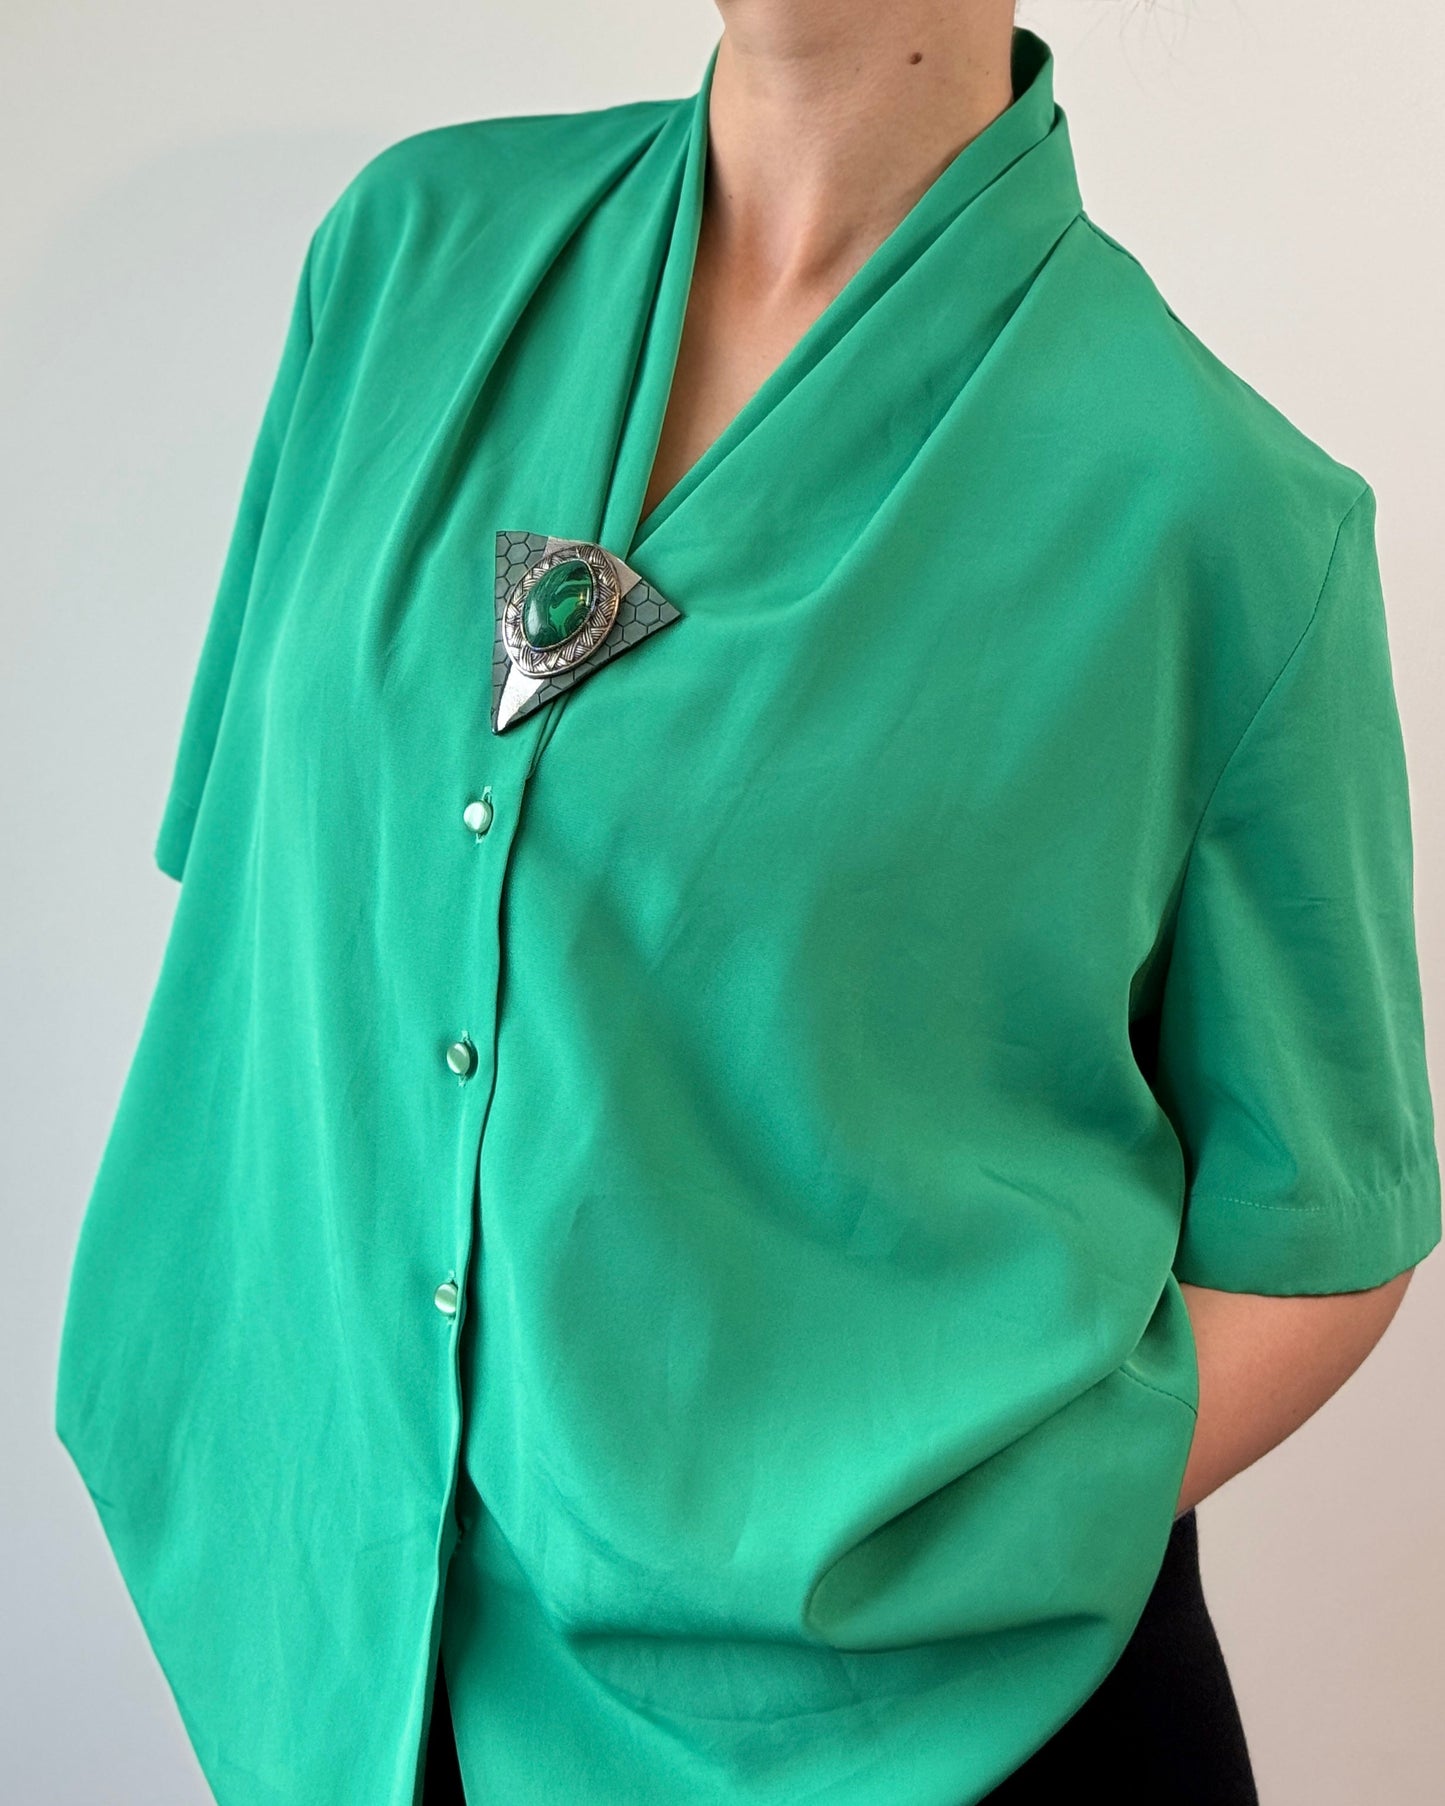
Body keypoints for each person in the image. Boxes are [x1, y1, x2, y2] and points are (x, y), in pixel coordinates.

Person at [56, 3, 1441, 1803]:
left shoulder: (1227, 518)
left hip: (914, 1739)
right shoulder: (402, 257)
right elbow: (272, 910)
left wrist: (941, 1544)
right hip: (364, 1667)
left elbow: (1324, 1235)